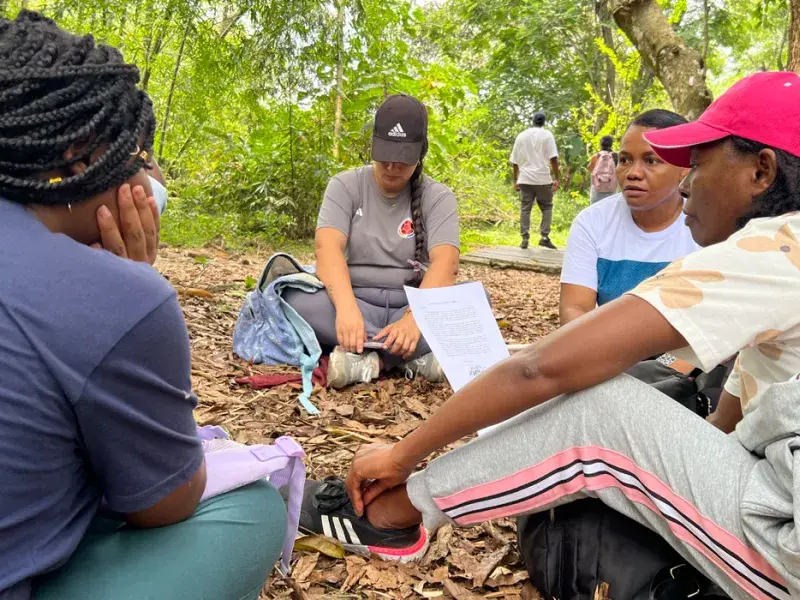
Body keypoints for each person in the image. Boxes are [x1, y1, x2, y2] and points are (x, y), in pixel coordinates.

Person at [312, 72, 800, 600]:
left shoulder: (775, 249)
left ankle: (393, 515)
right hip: (772, 498)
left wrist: (403, 455)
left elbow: (539, 368)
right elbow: (727, 422)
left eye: (698, 165)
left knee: (599, 408)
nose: (686, 184)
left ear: (761, 170)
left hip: (785, 542)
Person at [0, 11, 286, 600]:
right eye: (137, 154)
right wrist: (127, 285)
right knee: (253, 511)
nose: (150, 177)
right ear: (80, 154)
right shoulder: (119, 295)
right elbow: (163, 503)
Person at [283, 94, 460, 389]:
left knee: (474, 303)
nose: (391, 166)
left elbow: (446, 263)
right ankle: (410, 356)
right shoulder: (345, 185)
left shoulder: (438, 197)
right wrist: (346, 309)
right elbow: (327, 248)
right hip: (354, 301)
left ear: (420, 153)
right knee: (291, 297)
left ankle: (372, 361)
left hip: (413, 303)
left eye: (402, 159)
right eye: (385, 154)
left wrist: (415, 319)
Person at [560, 110, 699, 325]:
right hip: (606, 343)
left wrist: (664, 355)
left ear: (684, 168)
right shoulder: (592, 223)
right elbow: (575, 308)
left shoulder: (710, 228)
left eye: (651, 161)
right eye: (624, 160)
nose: (633, 173)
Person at [510, 111, 560, 250]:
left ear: (532, 121)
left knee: (525, 208)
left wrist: (515, 179)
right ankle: (544, 237)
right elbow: (553, 158)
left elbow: (515, 161)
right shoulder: (547, 135)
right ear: (544, 122)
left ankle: (525, 238)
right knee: (547, 207)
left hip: (525, 178)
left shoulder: (521, 136)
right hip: (543, 178)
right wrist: (557, 178)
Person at [587, 134, 618, 203]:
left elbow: (589, 168)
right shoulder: (615, 156)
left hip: (597, 189)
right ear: (611, 144)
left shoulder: (596, 156)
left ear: (601, 144)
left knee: (595, 208)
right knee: (611, 208)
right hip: (611, 189)